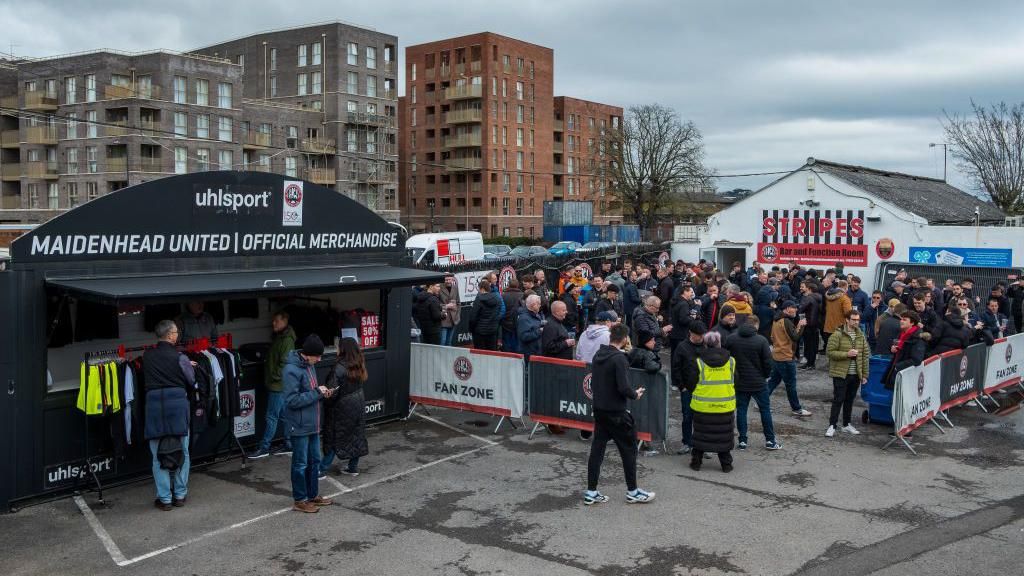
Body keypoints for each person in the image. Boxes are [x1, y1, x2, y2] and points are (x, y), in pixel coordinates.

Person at [583, 324, 655, 505]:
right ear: (625, 339)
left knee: (597, 451)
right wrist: (635, 394)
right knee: (629, 451)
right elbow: (623, 387)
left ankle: (591, 491)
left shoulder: (599, 355)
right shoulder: (619, 359)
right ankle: (633, 491)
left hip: (600, 410)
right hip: (616, 412)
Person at [143, 320, 195, 511]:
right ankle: (179, 495)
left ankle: (164, 499)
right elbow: (191, 380)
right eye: (176, 332)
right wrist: (189, 366)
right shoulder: (180, 357)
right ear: (171, 335)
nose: (177, 334)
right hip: (177, 408)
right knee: (183, 452)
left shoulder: (146, 356)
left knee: (157, 456)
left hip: (154, 408)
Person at [282, 335, 333, 513]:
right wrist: (317, 393)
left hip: (312, 423)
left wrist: (321, 393)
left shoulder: (309, 365)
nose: (319, 359)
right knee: (300, 463)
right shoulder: (291, 370)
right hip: (300, 425)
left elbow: (310, 391)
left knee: (314, 460)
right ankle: (300, 499)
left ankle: (312, 495)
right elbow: (291, 400)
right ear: (307, 354)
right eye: (317, 356)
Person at [724, 316, 780, 451]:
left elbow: (726, 358)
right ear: (756, 325)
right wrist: (766, 375)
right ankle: (770, 440)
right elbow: (768, 362)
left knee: (741, 410)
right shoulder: (761, 340)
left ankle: (742, 441)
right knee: (765, 410)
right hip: (758, 382)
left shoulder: (732, 338)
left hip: (740, 381)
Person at [688, 331, 737, 472]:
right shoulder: (731, 361)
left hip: (703, 407)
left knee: (700, 436)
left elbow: (691, 382)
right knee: (724, 436)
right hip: (725, 406)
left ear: (705, 344)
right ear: (719, 343)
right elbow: (736, 381)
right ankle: (726, 465)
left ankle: (696, 463)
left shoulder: (699, 362)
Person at [250, 311, 296, 459]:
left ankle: (264, 447)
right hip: (278, 384)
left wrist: (273, 377)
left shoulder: (286, 340)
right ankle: (288, 444)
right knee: (283, 416)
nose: (273, 323)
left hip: (278, 385)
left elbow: (284, 363)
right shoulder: (280, 337)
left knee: (271, 416)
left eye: (276, 321)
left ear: (285, 320)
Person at [321, 338, 369, 477]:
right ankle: (352, 467)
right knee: (356, 435)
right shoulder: (359, 363)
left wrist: (325, 401)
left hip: (341, 407)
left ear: (343, 349)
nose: (336, 349)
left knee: (334, 438)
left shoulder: (338, 368)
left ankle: (322, 469)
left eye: (338, 347)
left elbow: (332, 392)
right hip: (357, 403)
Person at [825, 309, 869, 437]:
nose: (856, 322)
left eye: (858, 320)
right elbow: (830, 352)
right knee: (838, 399)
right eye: (853, 320)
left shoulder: (861, 335)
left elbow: (865, 355)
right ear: (847, 320)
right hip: (841, 373)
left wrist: (864, 375)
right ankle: (832, 425)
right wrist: (846, 354)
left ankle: (846, 424)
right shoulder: (837, 334)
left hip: (855, 374)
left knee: (850, 400)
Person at [768, 301, 812, 417]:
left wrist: (797, 326)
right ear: (787, 309)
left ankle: (761, 401)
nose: (796, 310)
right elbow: (795, 337)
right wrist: (801, 325)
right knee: (790, 385)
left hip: (777, 355)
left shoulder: (776, 319)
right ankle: (796, 408)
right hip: (786, 357)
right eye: (794, 308)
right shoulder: (786, 321)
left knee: (773, 381)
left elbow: (772, 336)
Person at [671, 321, 706, 455]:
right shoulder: (682, 347)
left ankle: (701, 444)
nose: (701, 337)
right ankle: (687, 442)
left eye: (702, 335)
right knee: (687, 416)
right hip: (688, 389)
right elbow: (676, 368)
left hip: (704, 389)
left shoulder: (706, 346)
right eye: (699, 335)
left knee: (702, 418)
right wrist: (682, 387)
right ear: (691, 333)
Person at [468, 279, 501, 350]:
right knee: (491, 354)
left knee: (480, 355)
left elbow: (473, 317)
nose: (478, 291)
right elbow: (498, 313)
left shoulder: (479, 299)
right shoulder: (497, 298)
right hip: (492, 331)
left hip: (479, 332)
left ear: (482, 289)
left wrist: (471, 329)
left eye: (479, 289)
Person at [798, 281, 822, 370]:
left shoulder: (809, 298)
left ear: (810, 289)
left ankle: (809, 364)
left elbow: (801, 309)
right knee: (813, 345)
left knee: (808, 345)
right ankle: (811, 363)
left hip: (808, 324)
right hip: (816, 324)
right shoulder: (820, 297)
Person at [823, 280, 853, 346]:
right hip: (840, 328)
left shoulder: (828, 296)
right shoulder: (845, 299)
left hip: (828, 327)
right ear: (845, 287)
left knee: (830, 349)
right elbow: (848, 314)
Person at [517, 295, 545, 360]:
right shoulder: (524, 318)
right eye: (539, 304)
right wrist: (540, 331)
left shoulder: (535, 314)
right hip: (529, 353)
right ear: (533, 305)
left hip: (535, 351)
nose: (540, 306)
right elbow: (524, 336)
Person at [500, 278, 524, 353]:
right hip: (518, 323)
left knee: (506, 343)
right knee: (517, 343)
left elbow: (501, 309)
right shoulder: (522, 295)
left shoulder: (503, 295)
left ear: (509, 285)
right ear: (517, 285)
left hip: (505, 323)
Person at [439, 275, 461, 346]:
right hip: (443, 319)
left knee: (449, 342)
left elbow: (458, 303)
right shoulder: (439, 288)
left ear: (452, 279)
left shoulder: (455, 287)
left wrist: (457, 315)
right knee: (443, 341)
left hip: (453, 319)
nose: (448, 281)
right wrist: (446, 306)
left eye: (450, 279)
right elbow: (436, 304)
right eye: (446, 280)